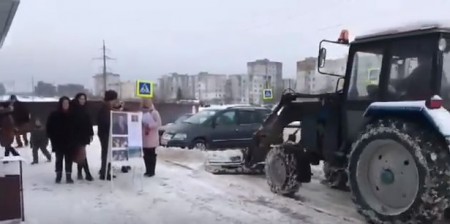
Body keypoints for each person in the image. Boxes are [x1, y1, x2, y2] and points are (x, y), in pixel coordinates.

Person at [46, 96, 75, 184]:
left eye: (67, 103)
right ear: (61, 104)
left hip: (70, 141)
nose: (66, 105)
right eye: (64, 103)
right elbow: (49, 128)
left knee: (69, 159)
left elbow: (76, 128)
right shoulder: (54, 115)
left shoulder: (72, 114)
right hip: (58, 141)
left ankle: (68, 176)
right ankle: (58, 175)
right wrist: (52, 138)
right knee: (59, 159)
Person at [71, 93, 94, 181]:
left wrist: (91, 133)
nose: (82, 100)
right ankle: (87, 173)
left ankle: (80, 172)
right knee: (82, 155)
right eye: (81, 99)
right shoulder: (73, 110)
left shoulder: (85, 109)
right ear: (77, 99)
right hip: (76, 136)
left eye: (84, 99)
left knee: (81, 155)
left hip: (84, 135)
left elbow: (89, 123)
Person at [97, 90, 120, 180]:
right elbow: (106, 121)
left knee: (106, 153)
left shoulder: (106, 107)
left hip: (105, 133)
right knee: (107, 153)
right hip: (106, 134)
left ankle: (104, 170)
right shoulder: (105, 108)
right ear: (112, 99)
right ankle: (105, 172)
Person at [141, 99, 161, 177]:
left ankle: (151, 170)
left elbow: (159, 123)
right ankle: (147, 170)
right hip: (144, 137)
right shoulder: (143, 113)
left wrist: (149, 125)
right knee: (146, 154)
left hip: (152, 137)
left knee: (151, 154)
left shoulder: (154, 113)